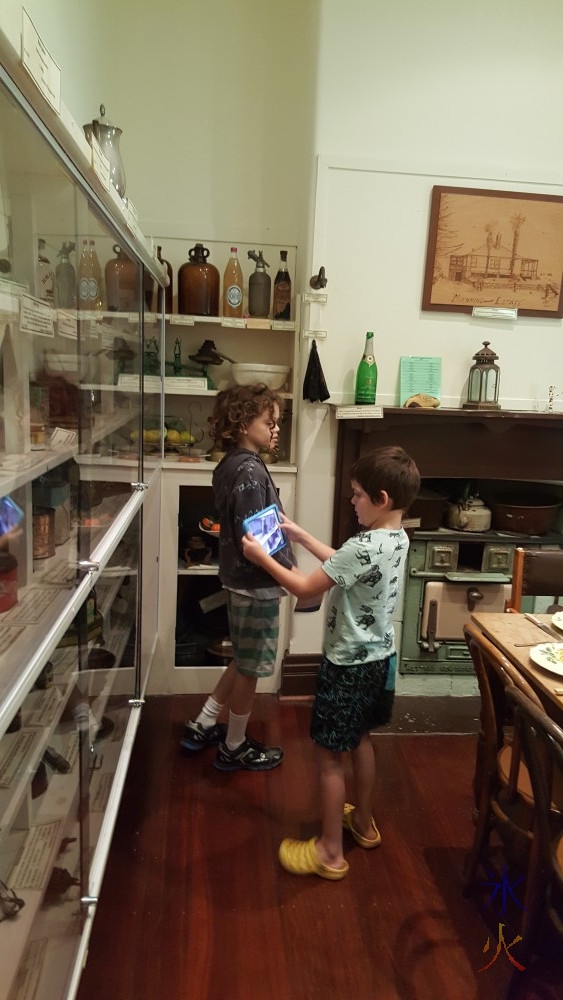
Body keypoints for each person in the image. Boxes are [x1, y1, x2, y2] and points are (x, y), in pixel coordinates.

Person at [241, 445, 420, 878]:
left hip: (346, 667)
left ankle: (329, 852)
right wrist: (301, 536)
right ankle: (362, 824)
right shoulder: (396, 537)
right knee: (360, 737)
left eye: (357, 496)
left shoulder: (362, 546)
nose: (352, 502)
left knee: (327, 757)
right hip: (380, 660)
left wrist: (262, 558)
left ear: (381, 500)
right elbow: (345, 566)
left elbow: (305, 588)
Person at [180, 384, 295, 771]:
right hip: (256, 585)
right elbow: (259, 536)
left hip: (235, 579)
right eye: (270, 422)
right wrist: (288, 571)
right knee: (251, 667)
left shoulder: (230, 464)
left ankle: (205, 720)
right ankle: (234, 745)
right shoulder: (249, 472)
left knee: (243, 656)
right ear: (244, 424)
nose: (276, 429)